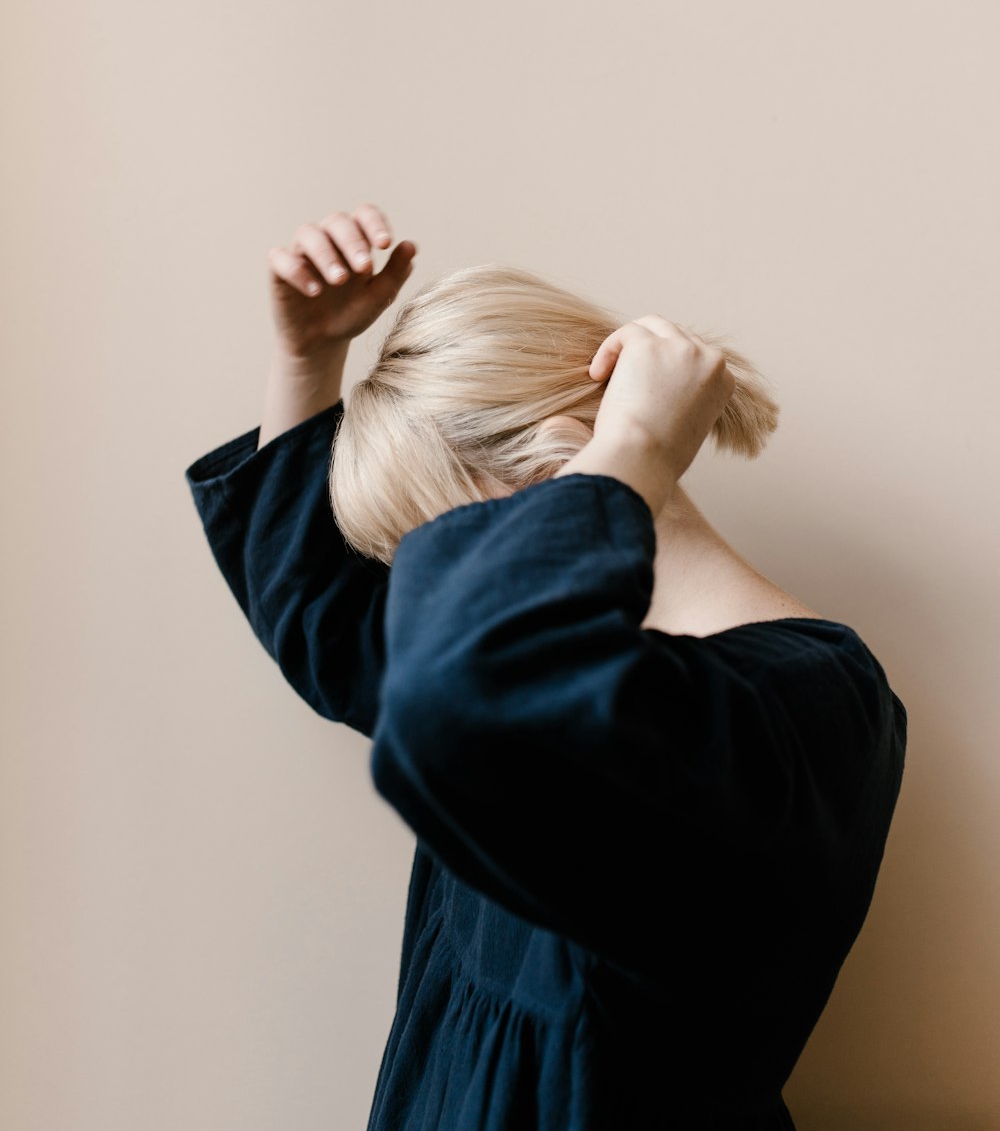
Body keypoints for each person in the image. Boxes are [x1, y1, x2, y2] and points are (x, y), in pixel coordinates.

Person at [184, 200, 907, 1131]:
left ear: (570, 458)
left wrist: (631, 448)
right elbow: (343, 635)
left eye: (436, 548)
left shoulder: (799, 708)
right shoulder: (558, 678)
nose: (428, 597)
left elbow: (463, 680)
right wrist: (307, 361)